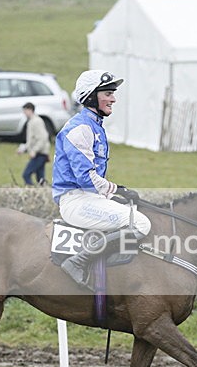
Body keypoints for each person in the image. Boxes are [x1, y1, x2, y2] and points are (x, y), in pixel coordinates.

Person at [52, 69, 151, 288]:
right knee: (141, 224)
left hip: (89, 198)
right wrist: (118, 189)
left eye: (112, 93)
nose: (113, 98)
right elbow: (87, 178)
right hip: (76, 201)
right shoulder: (80, 128)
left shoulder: (93, 125)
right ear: (90, 96)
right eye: (107, 93)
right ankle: (77, 263)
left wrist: (116, 192)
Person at [17, 102, 51, 186]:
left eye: (25, 110)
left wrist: (34, 151)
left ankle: (31, 193)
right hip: (39, 153)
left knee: (26, 174)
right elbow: (32, 140)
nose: (24, 113)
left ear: (30, 110)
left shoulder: (36, 121)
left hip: (40, 154)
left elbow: (43, 138)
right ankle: (46, 193)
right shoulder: (31, 122)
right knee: (40, 179)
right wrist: (23, 149)